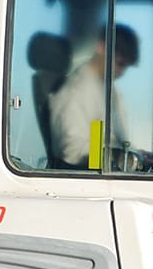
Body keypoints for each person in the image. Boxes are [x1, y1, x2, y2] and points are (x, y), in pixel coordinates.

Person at [48, 25, 138, 169]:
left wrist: (137, 154)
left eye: (126, 67)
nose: (122, 73)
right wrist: (116, 156)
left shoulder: (108, 89)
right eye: (120, 63)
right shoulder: (76, 91)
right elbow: (72, 152)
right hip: (85, 178)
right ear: (102, 47)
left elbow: (116, 140)